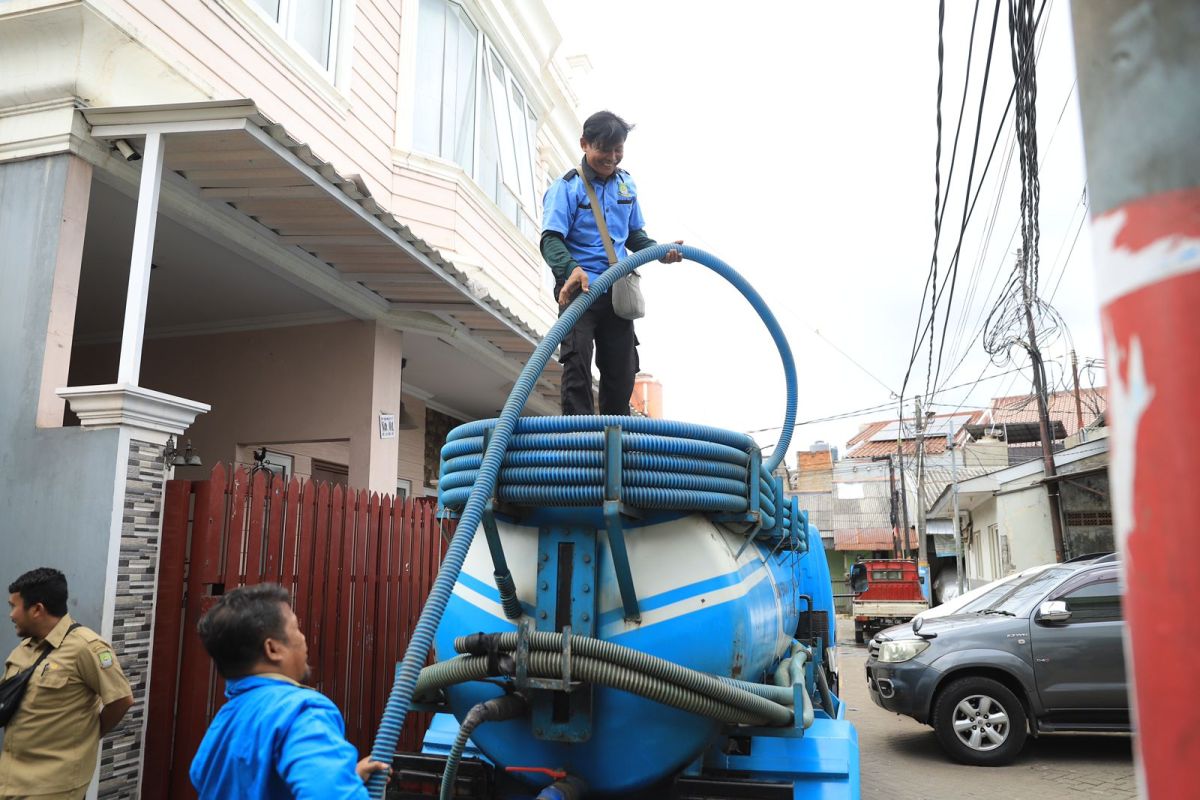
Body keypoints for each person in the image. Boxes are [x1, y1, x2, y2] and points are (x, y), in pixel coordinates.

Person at [540, 110, 682, 415]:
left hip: (618, 292)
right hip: (581, 289)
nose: (612, 157)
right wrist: (571, 270)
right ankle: (578, 444)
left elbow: (635, 236)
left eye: (618, 150)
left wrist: (660, 251)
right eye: (605, 149)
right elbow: (550, 239)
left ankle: (614, 439)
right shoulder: (566, 187)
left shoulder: (626, 185)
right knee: (577, 366)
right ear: (584, 144)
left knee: (622, 370)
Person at [189, 584, 389, 800]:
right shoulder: (300, 711)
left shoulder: (225, 720)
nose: (303, 638)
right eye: (296, 628)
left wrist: (347, 778)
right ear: (273, 649)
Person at [1, 568, 134, 800]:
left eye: (14, 606)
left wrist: (90, 734)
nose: (11, 615)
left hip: (53, 786)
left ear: (37, 609)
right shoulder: (25, 648)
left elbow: (121, 700)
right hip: (11, 780)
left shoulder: (87, 647)